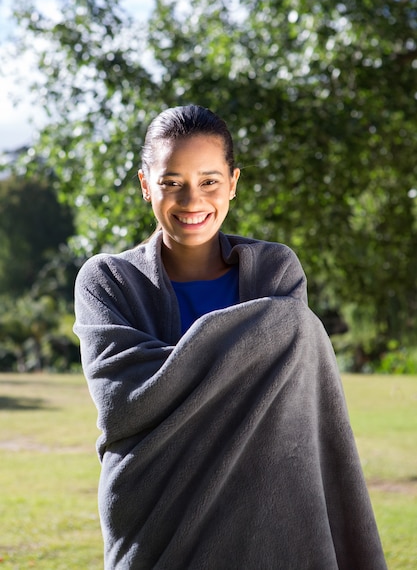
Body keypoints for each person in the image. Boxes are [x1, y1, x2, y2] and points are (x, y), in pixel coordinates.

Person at [74, 104, 387, 569]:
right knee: (295, 324)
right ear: (146, 186)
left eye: (209, 181)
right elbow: (124, 400)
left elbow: (292, 408)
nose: (191, 200)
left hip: (272, 511)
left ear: (233, 183)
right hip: (154, 517)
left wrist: (183, 365)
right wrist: (250, 343)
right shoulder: (107, 280)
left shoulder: (275, 270)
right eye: (171, 182)